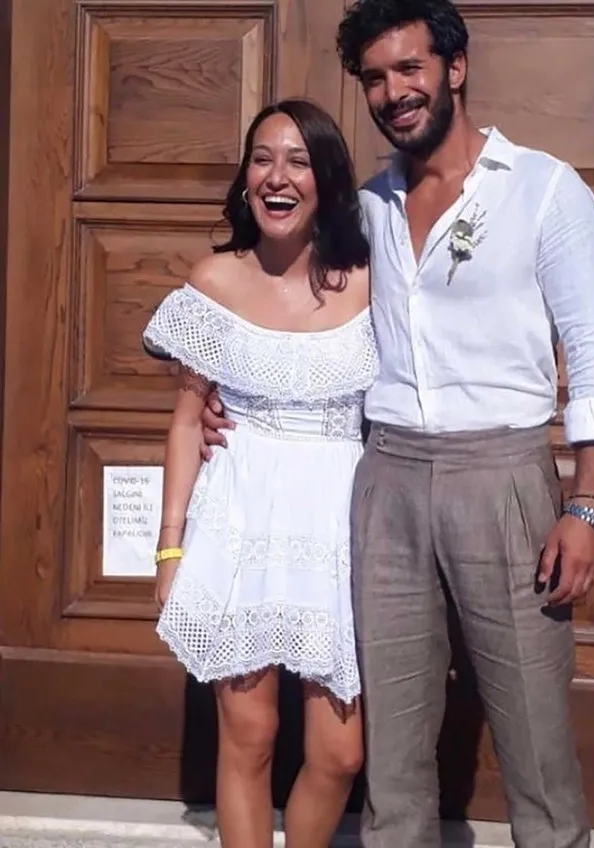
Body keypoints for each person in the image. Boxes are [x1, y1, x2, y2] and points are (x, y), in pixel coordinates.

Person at [201, 1, 594, 847]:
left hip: (502, 475)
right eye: (375, 78)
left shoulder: (544, 190)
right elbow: (292, 304)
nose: (394, 92)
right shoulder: (364, 210)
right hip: (387, 477)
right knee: (393, 753)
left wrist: (589, 505)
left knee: (535, 734)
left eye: (410, 68)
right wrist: (229, 394)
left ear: (454, 68)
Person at [143, 98, 374, 848]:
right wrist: (170, 549)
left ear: (326, 181)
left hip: (337, 532)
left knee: (340, 754)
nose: (278, 177)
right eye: (263, 159)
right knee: (250, 736)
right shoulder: (214, 280)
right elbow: (187, 422)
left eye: (298, 161)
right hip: (238, 522)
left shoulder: (371, 284)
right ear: (245, 179)